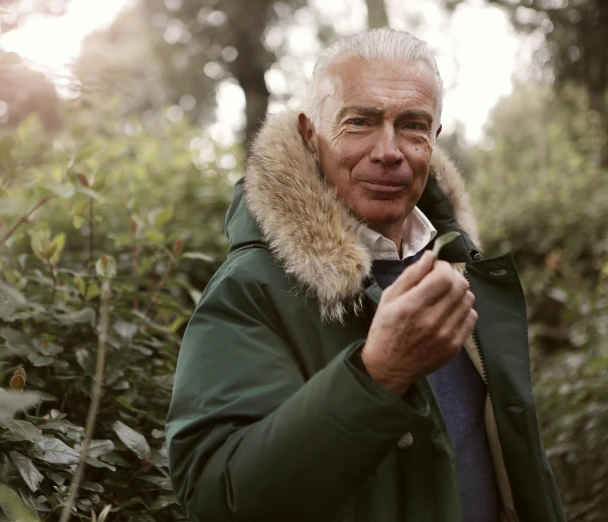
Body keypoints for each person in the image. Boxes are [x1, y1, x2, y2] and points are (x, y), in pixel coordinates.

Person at [165, 28, 565, 522]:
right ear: (312, 135)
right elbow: (216, 495)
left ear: (434, 139)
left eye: (413, 125)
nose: (389, 150)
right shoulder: (252, 288)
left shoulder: (462, 264)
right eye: (360, 122)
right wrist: (378, 374)